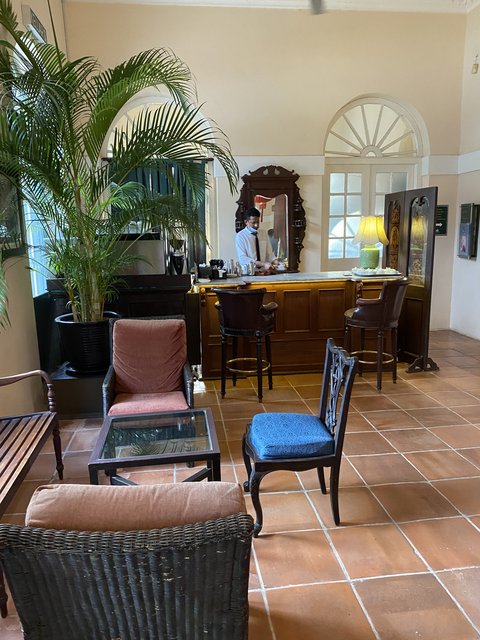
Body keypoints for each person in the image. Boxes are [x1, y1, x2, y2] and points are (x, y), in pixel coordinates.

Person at [235, 207, 279, 272]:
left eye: (258, 222)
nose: (256, 225)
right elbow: (243, 258)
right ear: (246, 222)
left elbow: (269, 254)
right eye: (253, 223)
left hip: (264, 272)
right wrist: (262, 264)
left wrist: (276, 262)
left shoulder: (263, 233)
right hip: (249, 272)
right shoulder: (240, 236)